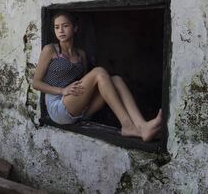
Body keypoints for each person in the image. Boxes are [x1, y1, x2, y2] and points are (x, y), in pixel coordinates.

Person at [32, 11, 162, 142]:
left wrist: (85, 99)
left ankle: (142, 126)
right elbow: (36, 83)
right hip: (58, 106)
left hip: (78, 107)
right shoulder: (50, 50)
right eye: (56, 27)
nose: (60, 30)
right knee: (99, 72)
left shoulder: (81, 55)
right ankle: (127, 125)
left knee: (116, 80)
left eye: (65, 25)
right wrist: (62, 90)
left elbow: (85, 84)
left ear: (75, 28)